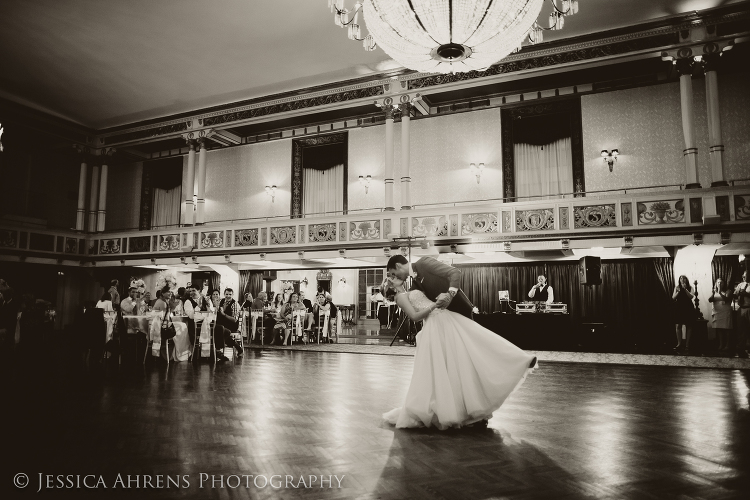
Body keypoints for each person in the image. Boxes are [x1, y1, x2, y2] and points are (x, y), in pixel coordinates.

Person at [381, 276, 537, 430]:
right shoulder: (400, 297)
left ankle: (519, 359)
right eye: (391, 278)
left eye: (393, 276)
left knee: (472, 344)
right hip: (434, 326)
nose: (394, 277)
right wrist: (434, 305)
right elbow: (415, 317)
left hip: (446, 319)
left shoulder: (410, 289)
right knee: (444, 367)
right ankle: (449, 409)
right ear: (391, 287)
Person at [386, 254, 474, 319]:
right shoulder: (414, 284)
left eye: (393, 274)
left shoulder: (423, 263)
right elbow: (410, 304)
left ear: (398, 266)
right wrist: (399, 287)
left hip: (461, 310)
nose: (395, 277)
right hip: (445, 318)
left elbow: (455, 272)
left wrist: (450, 295)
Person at [215, 288, 242, 360]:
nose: (228, 296)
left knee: (220, 330)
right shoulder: (221, 301)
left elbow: (234, 320)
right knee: (218, 329)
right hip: (223, 324)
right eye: (226, 294)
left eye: (230, 294)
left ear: (232, 295)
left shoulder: (235, 304)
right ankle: (236, 346)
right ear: (224, 294)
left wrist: (224, 314)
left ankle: (217, 350)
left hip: (232, 325)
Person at [708, 278, 733, 355]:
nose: (719, 284)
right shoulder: (714, 291)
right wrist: (713, 293)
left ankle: (727, 345)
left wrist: (720, 293)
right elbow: (710, 300)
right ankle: (721, 344)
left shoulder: (728, 291)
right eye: (718, 282)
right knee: (719, 329)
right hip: (717, 312)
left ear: (724, 284)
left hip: (725, 311)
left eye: (721, 283)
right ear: (716, 283)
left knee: (726, 328)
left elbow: (727, 299)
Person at [672, 275, 696, 353]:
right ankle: (679, 343)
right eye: (681, 278)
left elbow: (691, 297)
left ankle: (687, 344)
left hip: (688, 308)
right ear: (679, 280)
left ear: (686, 280)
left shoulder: (690, 287)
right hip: (679, 308)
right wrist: (678, 291)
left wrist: (685, 289)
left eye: (684, 278)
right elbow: (673, 298)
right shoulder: (677, 287)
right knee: (678, 325)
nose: (682, 280)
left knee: (688, 325)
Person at [734, 271, 750, 358]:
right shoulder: (740, 285)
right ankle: (741, 348)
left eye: (745, 276)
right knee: (741, 329)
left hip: (749, 307)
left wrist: (746, 294)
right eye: (743, 276)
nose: (743, 277)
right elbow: (735, 294)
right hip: (741, 308)